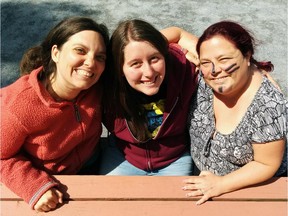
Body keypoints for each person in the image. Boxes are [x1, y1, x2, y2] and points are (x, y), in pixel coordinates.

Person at [163, 21, 287, 205]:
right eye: (207, 62)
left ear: (247, 56)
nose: (215, 70)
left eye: (225, 60)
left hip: (250, 191)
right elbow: (177, 34)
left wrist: (221, 184)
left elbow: (266, 164)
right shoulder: (208, 71)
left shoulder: (269, 105)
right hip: (202, 182)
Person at [0, 16, 109, 212]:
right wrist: (33, 185)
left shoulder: (96, 85)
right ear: (56, 53)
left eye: (100, 56)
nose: (91, 63)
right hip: (50, 181)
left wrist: (180, 35)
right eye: (80, 51)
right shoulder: (18, 105)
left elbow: (137, 46)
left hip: (94, 162)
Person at [99, 19, 199, 176]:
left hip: (174, 158)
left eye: (154, 59)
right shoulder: (106, 83)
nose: (149, 72)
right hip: (123, 156)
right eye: (136, 64)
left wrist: (187, 42)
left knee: (177, 201)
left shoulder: (183, 70)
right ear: (119, 67)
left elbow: (227, 64)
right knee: (107, 199)